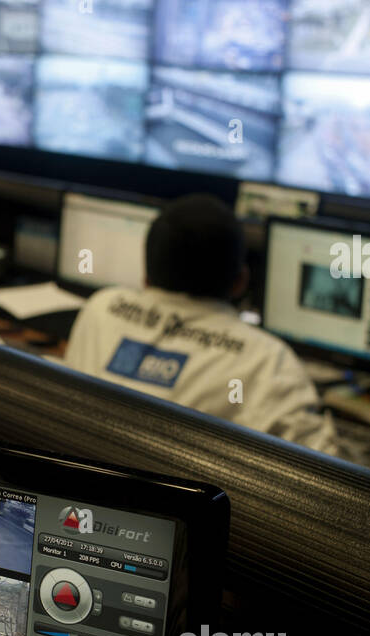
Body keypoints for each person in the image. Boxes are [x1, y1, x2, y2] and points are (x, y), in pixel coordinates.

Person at [63, 195, 340, 456]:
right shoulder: (267, 359)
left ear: (145, 275)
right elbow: (328, 478)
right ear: (240, 281)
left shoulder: (101, 307)